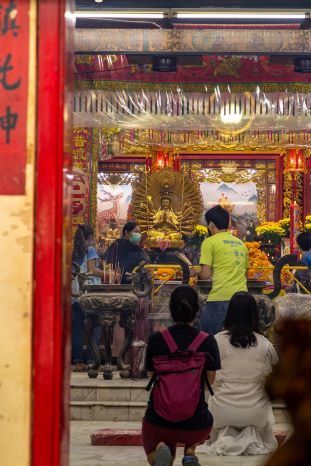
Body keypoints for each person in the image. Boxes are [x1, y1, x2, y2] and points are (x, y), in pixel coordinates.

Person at [142, 285, 220, 466]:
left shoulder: (156, 340)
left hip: (158, 420)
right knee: (202, 419)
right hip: (195, 423)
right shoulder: (207, 341)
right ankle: (190, 451)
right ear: (197, 310)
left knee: (154, 443)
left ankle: (162, 450)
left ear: (170, 310)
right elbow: (211, 380)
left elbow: (151, 375)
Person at [198, 292, 278, 456]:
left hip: (221, 413)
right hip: (256, 414)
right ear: (255, 315)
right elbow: (275, 376)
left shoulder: (216, 341)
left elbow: (207, 379)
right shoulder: (265, 344)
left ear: (230, 313)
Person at [199, 205, 249, 335]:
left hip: (220, 298)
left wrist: (197, 272)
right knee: (237, 337)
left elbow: (205, 275)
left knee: (208, 338)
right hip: (242, 299)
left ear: (210, 225)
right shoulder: (241, 244)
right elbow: (246, 274)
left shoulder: (209, 242)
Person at [71, 224, 106, 371]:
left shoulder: (74, 252)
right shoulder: (90, 250)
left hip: (75, 294)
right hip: (90, 293)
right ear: (91, 237)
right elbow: (92, 270)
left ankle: (78, 361)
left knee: (77, 328)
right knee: (95, 326)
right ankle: (93, 360)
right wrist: (110, 274)